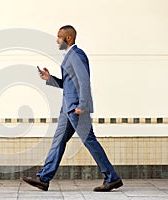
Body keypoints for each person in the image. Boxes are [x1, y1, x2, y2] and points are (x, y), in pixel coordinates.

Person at [21, 25, 123, 192]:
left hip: (76, 109)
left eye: (59, 37)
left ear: (68, 38)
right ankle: (43, 179)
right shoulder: (69, 56)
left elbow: (84, 81)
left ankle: (112, 178)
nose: (57, 40)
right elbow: (69, 84)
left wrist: (82, 106)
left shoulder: (76, 54)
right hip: (67, 109)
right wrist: (50, 78)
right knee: (58, 141)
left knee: (89, 141)